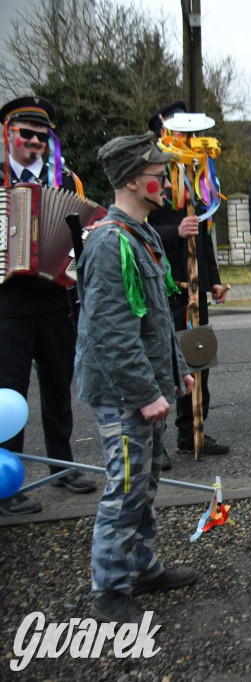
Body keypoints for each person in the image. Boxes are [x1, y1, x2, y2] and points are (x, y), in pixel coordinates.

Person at [76, 132, 199, 624]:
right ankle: (108, 589)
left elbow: (155, 318)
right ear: (132, 179)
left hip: (145, 388)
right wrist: (146, 392)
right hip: (123, 393)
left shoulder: (142, 234)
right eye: (158, 173)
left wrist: (176, 374)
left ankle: (143, 568)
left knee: (144, 483)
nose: (166, 182)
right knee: (124, 486)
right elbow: (111, 332)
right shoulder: (110, 242)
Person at [0, 95, 96, 516]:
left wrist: (71, 267)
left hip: (56, 298)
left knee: (58, 385)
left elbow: (85, 233)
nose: (35, 142)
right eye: (27, 134)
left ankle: (62, 465)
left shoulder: (66, 180)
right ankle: (7, 478)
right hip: (7, 303)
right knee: (9, 394)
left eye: (42, 136)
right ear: (8, 133)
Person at [147, 100, 230, 458]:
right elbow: (140, 228)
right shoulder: (152, 175)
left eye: (191, 131)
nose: (187, 136)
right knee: (162, 361)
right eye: (180, 130)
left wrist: (213, 278)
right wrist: (175, 231)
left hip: (196, 287)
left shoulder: (198, 177)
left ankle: (192, 431)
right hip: (164, 284)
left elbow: (204, 232)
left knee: (198, 356)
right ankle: (155, 442)